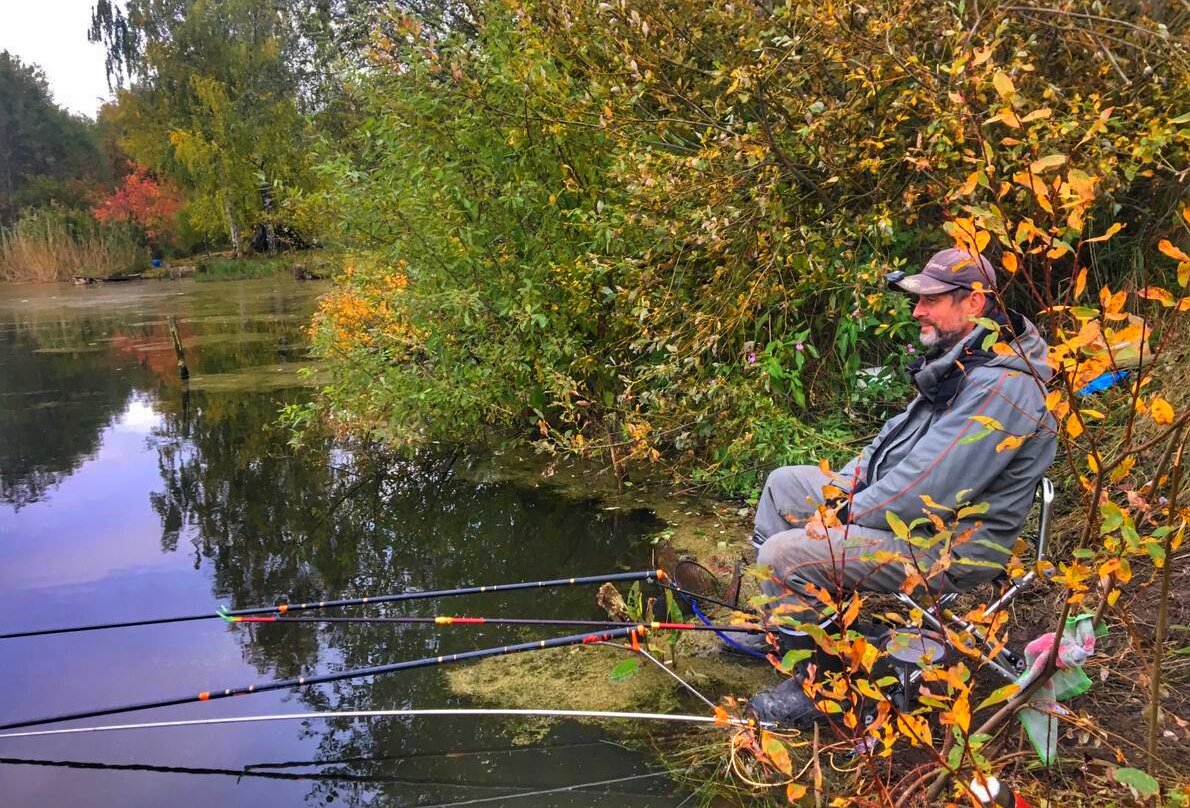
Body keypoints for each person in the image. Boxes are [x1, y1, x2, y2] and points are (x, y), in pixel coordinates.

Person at [745, 248, 1057, 722]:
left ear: (974, 303)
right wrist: (843, 489)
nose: (917, 311)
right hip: (913, 520)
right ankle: (790, 628)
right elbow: (890, 447)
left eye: (930, 299)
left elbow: (924, 490)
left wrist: (842, 515)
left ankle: (823, 687)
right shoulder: (965, 361)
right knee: (784, 485)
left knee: (786, 553)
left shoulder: (1002, 387)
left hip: (950, 544)